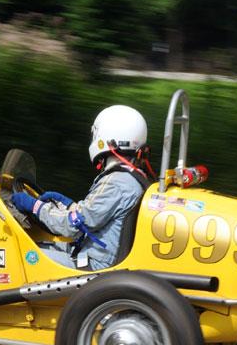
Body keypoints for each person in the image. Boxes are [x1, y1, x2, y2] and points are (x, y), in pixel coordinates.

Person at [10, 105, 155, 271]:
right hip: (93, 252)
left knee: (17, 255)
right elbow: (91, 215)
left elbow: (73, 226)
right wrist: (69, 204)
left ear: (107, 137)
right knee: (38, 245)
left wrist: (35, 206)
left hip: (95, 265)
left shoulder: (117, 182)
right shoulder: (132, 177)